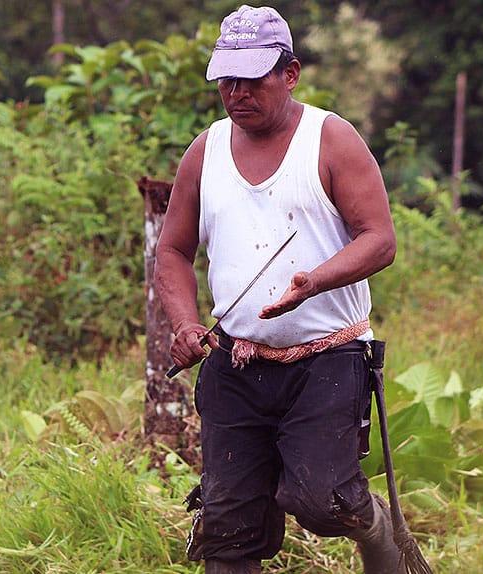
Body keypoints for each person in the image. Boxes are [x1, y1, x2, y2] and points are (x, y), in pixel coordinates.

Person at [154, 5, 402, 574]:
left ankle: (376, 526)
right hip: (236, 366)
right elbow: (171, 251)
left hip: (328, 358)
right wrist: (186, 325)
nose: (238, 92)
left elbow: (380, 240)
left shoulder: (330, 140)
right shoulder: (206, 150)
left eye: (253, 77)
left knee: (323, 501)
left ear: (290, 73)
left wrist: (314, 282)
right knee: (229, 529)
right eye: (227, 80)